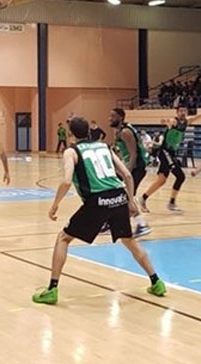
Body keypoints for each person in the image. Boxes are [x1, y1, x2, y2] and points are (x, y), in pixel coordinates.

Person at [32, 117, 166, 305]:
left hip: (97, 200)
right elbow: (127, 174)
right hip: (118, 196)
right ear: (89, 131)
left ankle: (52, 289)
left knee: (63, 238)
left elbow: (66, 181)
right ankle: (156, 282)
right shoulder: (104, 146)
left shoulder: (71, 151)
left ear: (71, 134)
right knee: (129, 241)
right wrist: (131, 201)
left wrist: (54, 205)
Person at [109, 108, 151, 238]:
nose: (110, 118)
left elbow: (133, 155)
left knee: (126, 197)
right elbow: (124, 153)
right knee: (112, 190)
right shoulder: (119, 131)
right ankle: (109, 221)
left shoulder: (126, 132)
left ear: (121, 118)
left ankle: (141, 225)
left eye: (113, 116)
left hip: (136, 168)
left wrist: (126, 173)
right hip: (128, 167)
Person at [140, 106, 191, 213]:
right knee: (180, 176)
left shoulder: (186, 122)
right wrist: (166, 121)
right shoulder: (174, 121)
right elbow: (167, 121)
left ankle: (143, 198)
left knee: (161, 180)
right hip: (165, 151)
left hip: (172, 153)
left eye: (184, 111)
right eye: (181, 111)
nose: (183, 113)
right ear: (177, 113)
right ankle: (171, 203)